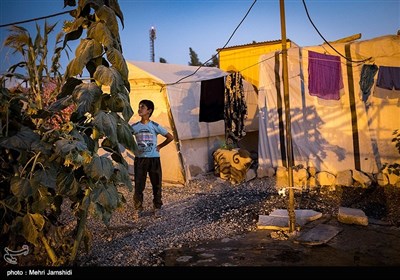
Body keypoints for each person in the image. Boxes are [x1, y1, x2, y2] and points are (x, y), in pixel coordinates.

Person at [130, 99, 174, 219]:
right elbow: (125, 137)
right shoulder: (134, 127)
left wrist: (159, 146)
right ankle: (138, 208)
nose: (139, 109)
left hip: (154, 158)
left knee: (156, 184)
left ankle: (158, 207)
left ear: (149, 111)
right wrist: (132, 148)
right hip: (140, 159)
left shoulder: (154, 126)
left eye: (142, 107)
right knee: (139, 185)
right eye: (139, 107)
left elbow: (170, 137)